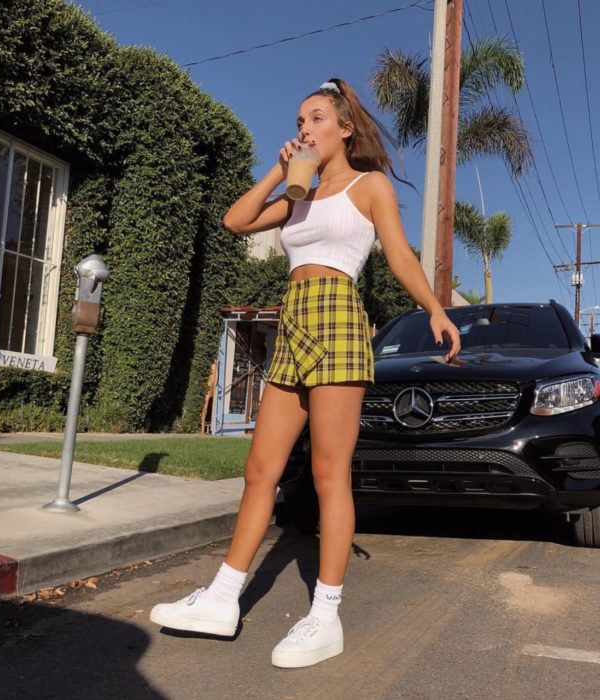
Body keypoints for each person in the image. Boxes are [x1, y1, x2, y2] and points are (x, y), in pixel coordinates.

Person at [150, 77, 461, 668]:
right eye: (299, 121)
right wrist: (280, 170)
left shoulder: (369, 187)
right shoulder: (299, 195)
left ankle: (325, 615)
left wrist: (436, 309)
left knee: (327, 474)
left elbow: (398, 255)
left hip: (340, 319)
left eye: (316, 119)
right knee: (260, 468)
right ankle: (221, 599)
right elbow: (236, 221)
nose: (304, 129)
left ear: (345, 128)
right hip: (293, 320)